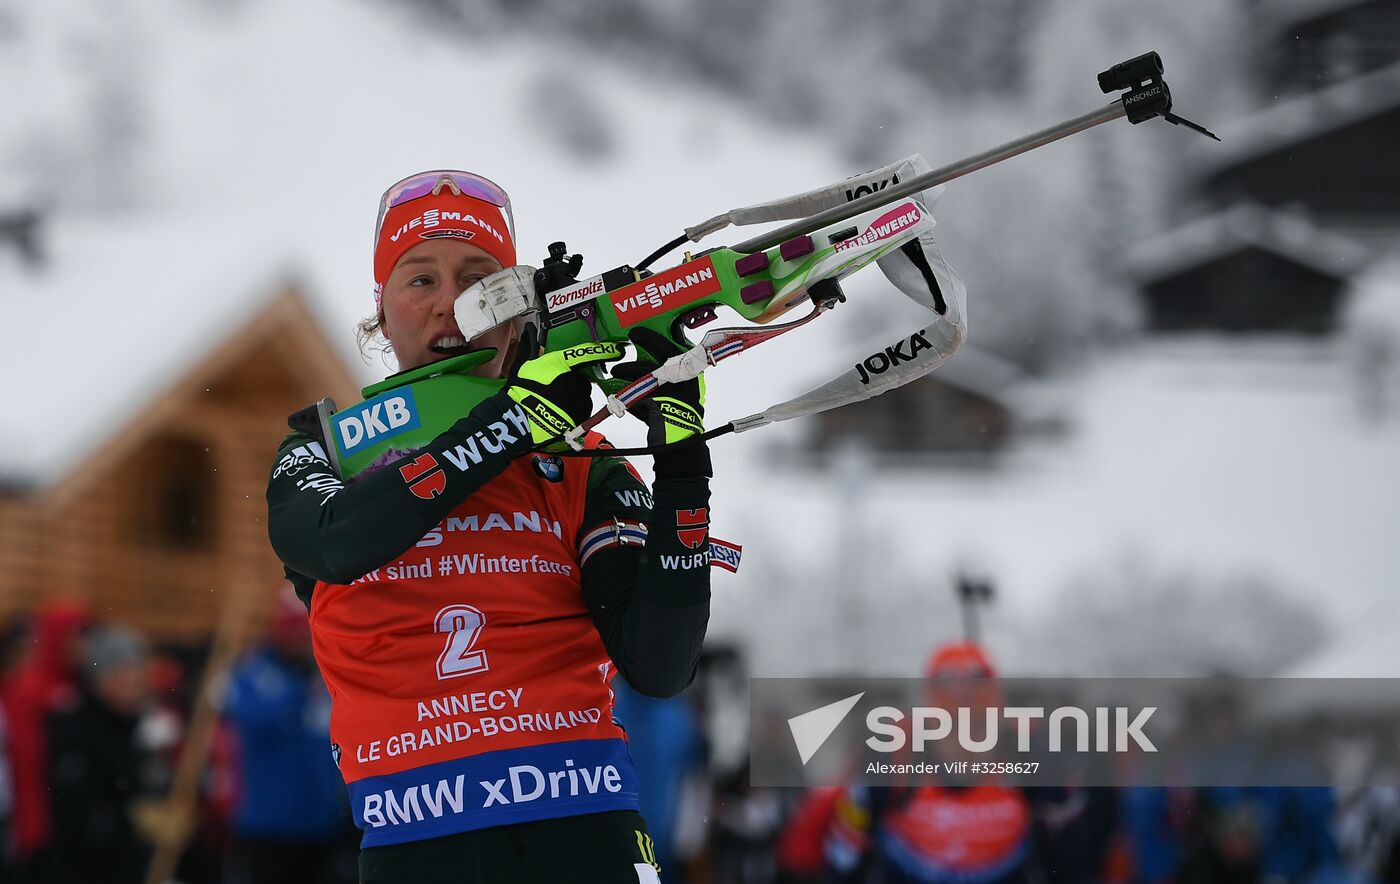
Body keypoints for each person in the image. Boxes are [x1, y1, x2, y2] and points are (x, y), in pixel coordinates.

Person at [266, 170, 715, 883]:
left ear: (518, 310)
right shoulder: (327, 448)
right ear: (380, 314)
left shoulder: (579, 461)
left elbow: (660, 667)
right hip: (418, 840)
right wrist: (510, 423)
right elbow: (333, 543)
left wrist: (685, 469)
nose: (452, 306)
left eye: (481, 282)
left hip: (585, 827)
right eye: (420, 280)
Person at [223, 584, 355, 884]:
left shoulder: (324, 676)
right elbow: (253, 721)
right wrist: (296, 690)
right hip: (268, 824)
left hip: (319, 823)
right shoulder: (254, 672)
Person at [45, 624, 154, 884]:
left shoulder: (139, 725)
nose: (133, 685)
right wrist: (130, 820)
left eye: (137, 676)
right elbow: (78, 815)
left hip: (132, 865)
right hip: (88, 868)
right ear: (102, 679)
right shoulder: (76, 727)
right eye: (122, 676)